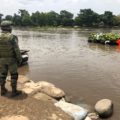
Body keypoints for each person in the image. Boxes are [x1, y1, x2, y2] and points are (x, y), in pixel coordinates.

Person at [0, 20, 22, 97]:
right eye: (10, 26)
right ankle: (14, 91)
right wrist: (20, 59)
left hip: (1, 60)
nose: (11, 28)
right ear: (8, 27)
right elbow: (17, 50)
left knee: (2, 75)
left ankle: (2, 90)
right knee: (14, 75)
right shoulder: (12, 37)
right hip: (11, 60)